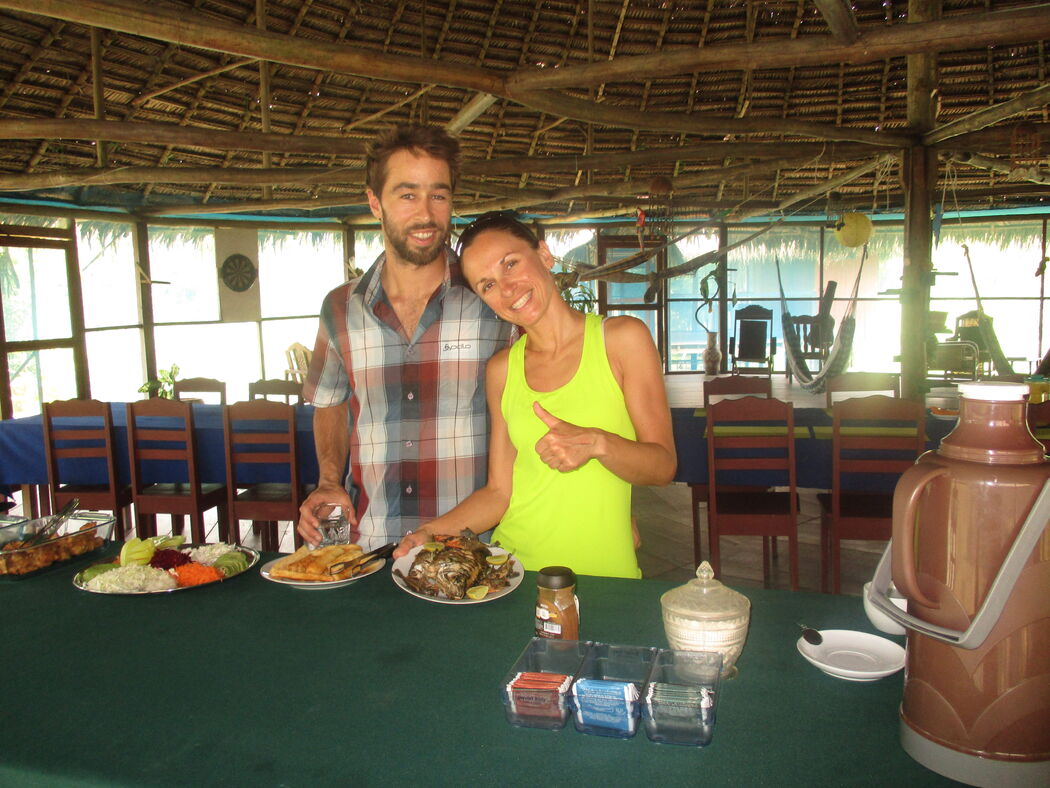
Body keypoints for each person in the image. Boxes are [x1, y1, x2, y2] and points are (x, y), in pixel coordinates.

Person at [393, 212, 676, 578]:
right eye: (488, 285)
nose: (507, 289)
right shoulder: (501, 370)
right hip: (513, 576)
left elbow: (663, 467)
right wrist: (430, 531)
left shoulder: (622, 339)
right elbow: (498, 492)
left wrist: (598, 444)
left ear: (544, 255)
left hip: (605, 575)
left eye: (510, 264)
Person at [298, 126, 514, 550]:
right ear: (374, 202)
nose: (427, 213)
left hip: (472, 551)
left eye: (439, 194)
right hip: (367, 545)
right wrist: (327, 480)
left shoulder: (494, 303)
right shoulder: (340, 308)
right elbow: (331, 403)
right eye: (407, 194)